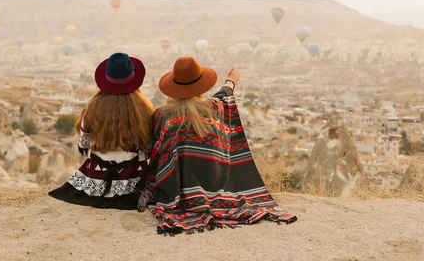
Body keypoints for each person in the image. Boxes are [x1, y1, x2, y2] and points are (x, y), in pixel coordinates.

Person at [138, 57, 297, 234]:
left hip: (175, 188)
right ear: (200, 85)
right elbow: (224, 96)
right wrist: (231, 81)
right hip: (215, 183)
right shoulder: (216, 108)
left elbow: (157, 152)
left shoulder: (163, 114)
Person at [48, 53, 154, 210]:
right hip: (132, 174)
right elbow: (148, 146)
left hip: (98, 174)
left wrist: (93, 146)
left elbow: (83, 141)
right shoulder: (143, 109)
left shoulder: (93, 107)